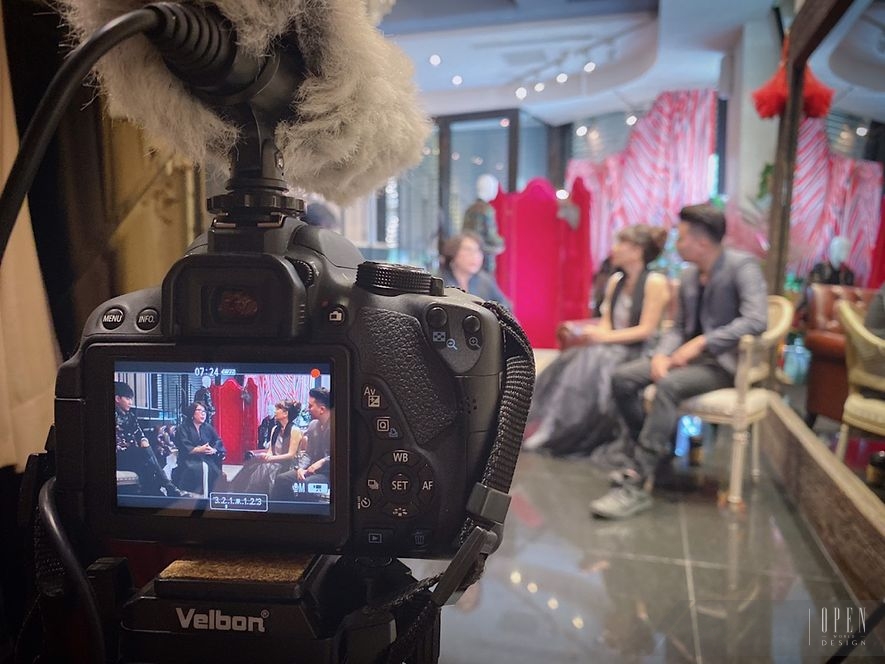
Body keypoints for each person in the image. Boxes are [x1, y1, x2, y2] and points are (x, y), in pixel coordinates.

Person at [590, 204, 768, 519]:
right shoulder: (688, 276)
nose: (677, 244)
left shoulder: (742, 267)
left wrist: (704, 342)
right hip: (685, 359)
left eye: (682, 238)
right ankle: (655, 457)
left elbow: (756, 319)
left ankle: (636, 482)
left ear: (702, 241)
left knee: (668, 386)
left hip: (722, 364)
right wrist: (662, 354)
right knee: (622, 378)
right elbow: (679, 328)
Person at [523, 224, 670, 456]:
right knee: (573, 360)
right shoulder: (616, 281)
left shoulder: (655, 282)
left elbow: (646, 330)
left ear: (637, 250)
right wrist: (592, 333)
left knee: (591, 360)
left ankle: (561, 429)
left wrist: (604, 337)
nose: (615, 249)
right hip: (612, 345)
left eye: (622, 244)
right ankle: (551, 425)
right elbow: (607, 322)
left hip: (639, 350)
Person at [114, 382, 183, 497]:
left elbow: (139, 433)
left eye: (131, 399)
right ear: (117, 398)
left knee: (147, 462)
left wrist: (143, 440)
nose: (131, 402)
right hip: (119, 456)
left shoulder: (130, 416)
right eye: (127, 398)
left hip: (132, 454)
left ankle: (158, 494)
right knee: (145, 457)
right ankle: (168, 487)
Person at [270, 388, 332, 502]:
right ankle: (279, 509)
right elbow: (308, 454)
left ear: (322, 409)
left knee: (306, 484)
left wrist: (322, 462)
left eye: (310, 406)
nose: (308, 409)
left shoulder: (338, 427)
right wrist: (301, 468)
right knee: (282, 479)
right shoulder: (313, 425)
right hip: (310, 470)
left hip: (330, 473)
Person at [229, 401, 304, 495]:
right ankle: (241, 494)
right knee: (252, 465)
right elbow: (271, 451)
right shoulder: (275, 429)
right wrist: (266, 456)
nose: (275, 411)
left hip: (289, 464)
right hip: (274, 461)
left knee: (265, 467)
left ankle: (266, 496)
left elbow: (291, 455)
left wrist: (271, 459)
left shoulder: (295, 430)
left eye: (278, 409)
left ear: (285, 413)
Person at [439, 231, 512, 310]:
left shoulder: (485, 281)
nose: (475, 256)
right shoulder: (440, 280)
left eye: (478, 251)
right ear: (453, 252)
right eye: (468, 250)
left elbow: (505, 307)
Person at [173, 401, 227, 494]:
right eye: (199, 410)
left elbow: (218, 441)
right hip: (189, 459)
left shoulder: (208, 427)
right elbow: (183, 445)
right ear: (192, 413)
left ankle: (210, 496)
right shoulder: (183, 428)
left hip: (207, 458)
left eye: (204, 411)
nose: (203, 414)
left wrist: (213, 449)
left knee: (216, 473)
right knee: (197, 470)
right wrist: (199, 449)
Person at [462, 174, 505, 273]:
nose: (495, 190)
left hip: (469, 255)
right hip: (484, 257)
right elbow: (491, 236)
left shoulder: (470, 209)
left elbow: (464, 233)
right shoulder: (487, 210)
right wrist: (501, 242)